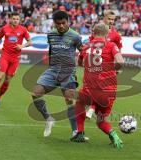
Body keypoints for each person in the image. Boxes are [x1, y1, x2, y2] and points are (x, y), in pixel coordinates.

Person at [31, 10, 87, 139]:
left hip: (68, 71)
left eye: (63, 23)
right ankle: (48, 119)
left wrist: (78, 66)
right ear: (54, 23)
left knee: (69, 100)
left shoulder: (76, 36)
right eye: (58, 24)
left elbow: (82, 52)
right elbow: (51, 51)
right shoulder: (50, 35)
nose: (61, 26)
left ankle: (75, 131)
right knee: (35, 93)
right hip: (53, 70)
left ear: (68, 22)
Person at [71, 23, 124, 149]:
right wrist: (113, 69)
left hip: (90, 88)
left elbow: (79, 63)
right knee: (101, 120)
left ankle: (80, 132)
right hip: (109, 90)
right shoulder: (111, 45)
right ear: (107, 34)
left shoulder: (86, 46)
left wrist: (91, 67)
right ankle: (113, 135)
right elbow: (120, 62)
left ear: (93, 33)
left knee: (79, 102)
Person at [0, 12, 32, 105]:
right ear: (10, 19)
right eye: (14, 19)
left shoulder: (23, 30)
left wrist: (22, 46)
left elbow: (30, 42)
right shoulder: (4, 28)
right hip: (5, 56)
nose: (15, 20)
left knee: (7, 80)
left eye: (17, 19)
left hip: (15, 59)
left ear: (19, 20)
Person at [86, 10, 123, 119]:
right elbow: (91, 46)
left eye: (113, 19)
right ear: (104, 18)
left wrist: (117, 66)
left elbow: (119, 51)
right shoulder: (96, 31)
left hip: (108, 66)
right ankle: (93, 108)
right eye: (109, 19)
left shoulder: (116, 35)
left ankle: (95, 110)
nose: (111, 21)